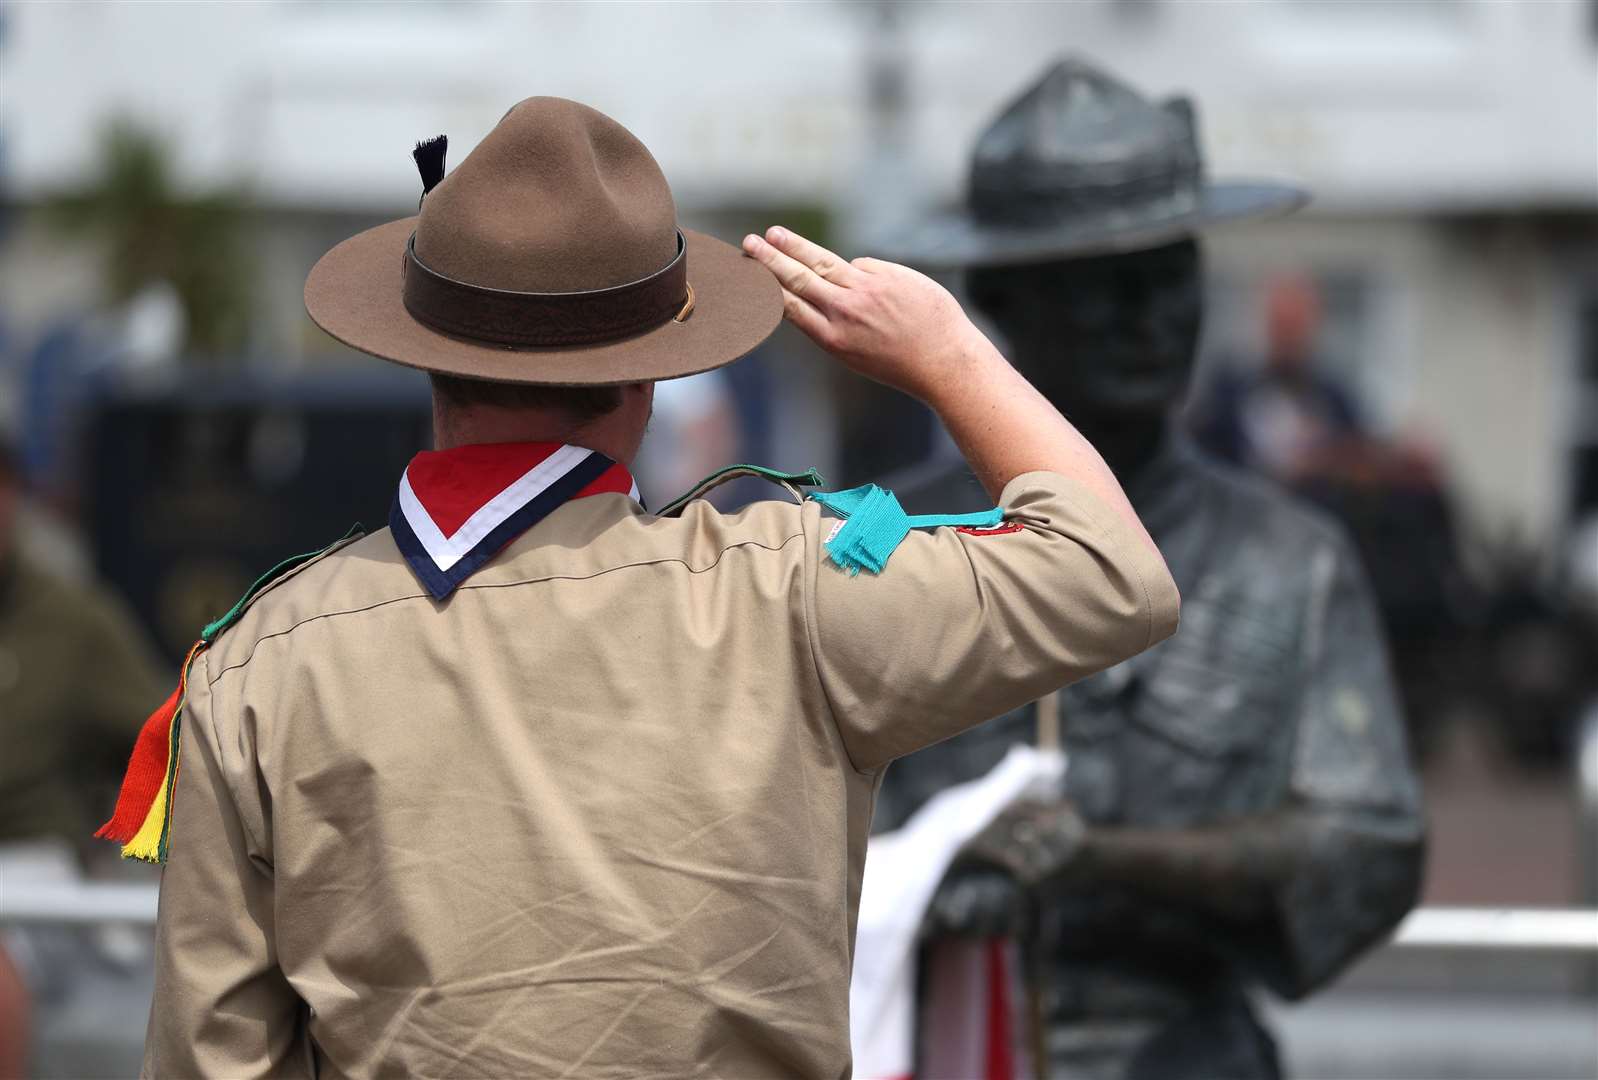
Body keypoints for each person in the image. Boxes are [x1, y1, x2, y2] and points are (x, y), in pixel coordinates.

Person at [107, 96, 1178, 1077]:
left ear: (423, 354)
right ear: (649, 378)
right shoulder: (792, 593)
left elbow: (213, 1061)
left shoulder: (257, 666)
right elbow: (1110, 573)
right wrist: (948, 353)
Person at [874, 59, 1425, 1078]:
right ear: (998, 298)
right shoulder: (885, 547)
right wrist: (923, 873)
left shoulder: (1286, 562)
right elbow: (775, 831)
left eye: (1169, 271)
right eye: (1097, 283)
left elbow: (1369, 845)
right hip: (933, 1041)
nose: (1148, 314)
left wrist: (1105, 862)